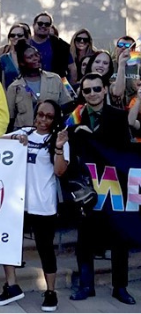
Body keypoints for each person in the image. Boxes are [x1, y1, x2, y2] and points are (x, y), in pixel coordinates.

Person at [0, 100, 70, 312]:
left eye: (49, 117)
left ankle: (51, 292)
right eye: (40, 114)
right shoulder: (24, 131)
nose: (43, 120)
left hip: (43, 204)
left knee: (45, 249)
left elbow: (60, 171)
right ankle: (12, 285)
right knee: (8, 245)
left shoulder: (58, 139)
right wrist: (14, 139)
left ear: (55, 120)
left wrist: (60, 147)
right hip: (17, 202)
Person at [68, 72, 135, 305]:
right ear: (82, 93)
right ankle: (86, 286)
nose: (93, 94)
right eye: (87, 90)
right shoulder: (75, 117)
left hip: (114, 184)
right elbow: (70, 149)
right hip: (87, 186)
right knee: (85, 238)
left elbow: (125, 150)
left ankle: (120, 287)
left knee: (119, 238)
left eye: (97, 89)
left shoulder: (118, 116)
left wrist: (95, 138)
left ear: (105, 89)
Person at [6, 41, 71, 129]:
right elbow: (10, 118)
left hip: (51, 130)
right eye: (30, 57)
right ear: (22, 62)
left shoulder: (55, 79)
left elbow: (66, 106)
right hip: (23, 134)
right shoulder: (14, 87)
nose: (36, 58)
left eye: (37, 55)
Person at [29, 12, 75, 81]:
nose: (43, 26)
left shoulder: (60, 45)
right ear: (33, 25)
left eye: (47, 24)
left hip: (54, 86)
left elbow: (72, 69)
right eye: (40, 23)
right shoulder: (25, 44)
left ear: (50, 27)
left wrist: (69, 88)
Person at [110, 35, 140, 109]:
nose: (123, 48)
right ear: (116, 48)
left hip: (134, 108)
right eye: (120, 45)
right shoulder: (109, 64)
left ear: (133, 50)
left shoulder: (138, 67)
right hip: (113, 107)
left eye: (127, 46)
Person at [0, 24, 31, 88]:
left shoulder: (32, 56)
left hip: (29, 95)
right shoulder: (3, 58)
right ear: (9, 38)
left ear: (25, 37)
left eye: (19, 35)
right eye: (12, 35)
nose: (16, 37)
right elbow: (2, 84)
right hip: (10, 94)